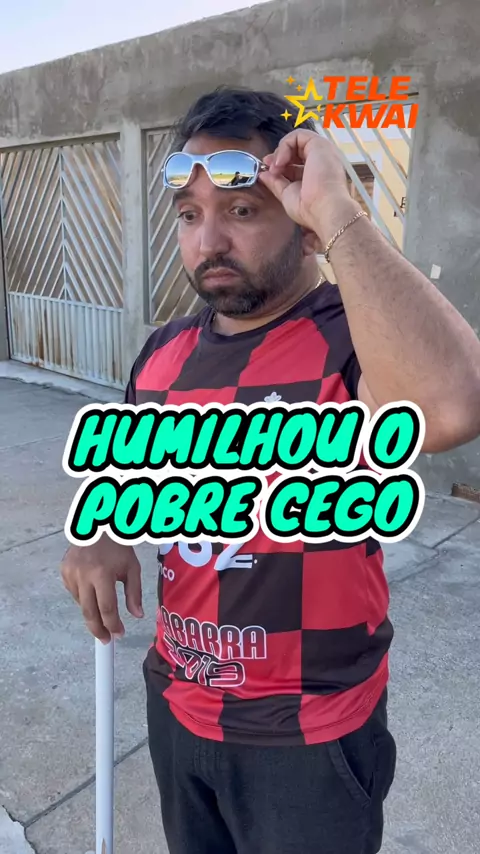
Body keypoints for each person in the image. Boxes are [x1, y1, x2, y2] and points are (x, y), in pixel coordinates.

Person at [61, 86, 480, 854]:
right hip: (179, 708)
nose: (208, 240)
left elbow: (451, 404)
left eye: (241, 210)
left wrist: (340, 211)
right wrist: (100, 535)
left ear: (301, 217)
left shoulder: (353, 341)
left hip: (309, 738)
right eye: (189, 214)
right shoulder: (162, 355)